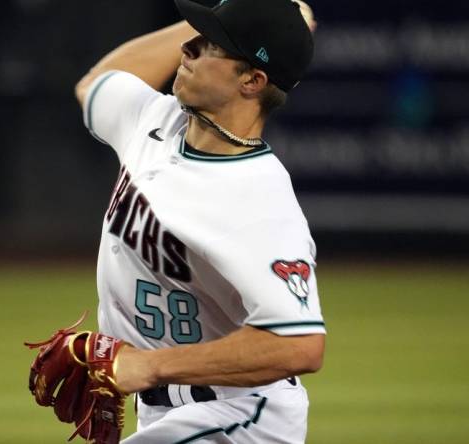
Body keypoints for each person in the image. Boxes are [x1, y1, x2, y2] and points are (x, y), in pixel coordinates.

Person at [74, 0, 325, 442]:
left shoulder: (259, 199)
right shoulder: (154, 120)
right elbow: (96, 83)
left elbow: (298, 344)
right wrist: (213, 24)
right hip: (171, 415)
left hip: (238, 418)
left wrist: (148, 366)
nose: (187, 47)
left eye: (211, 44)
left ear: (252, 80)